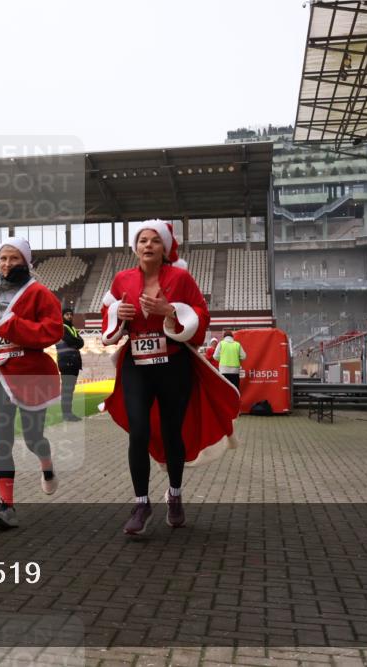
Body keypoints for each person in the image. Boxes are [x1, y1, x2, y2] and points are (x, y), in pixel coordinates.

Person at [100, 220, 240, 535]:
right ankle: (141, 503)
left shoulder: (181, 278)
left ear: (165, 248)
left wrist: (170, 312)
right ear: (135, 248)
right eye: (142, 240)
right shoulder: (122, 279)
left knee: (171, 432)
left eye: (154, 241)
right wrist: (118, 317)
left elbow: (201, 316)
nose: (148, 245)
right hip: (136, 364)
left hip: (173, 366)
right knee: (138, 432)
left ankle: (174, 495)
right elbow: (106, 316)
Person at [0, 237, 63, 529]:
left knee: (33, 438)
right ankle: (6, 507)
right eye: (3, 258)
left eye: (14, 258)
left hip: (30, 372)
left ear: (26, 261)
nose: (7, 264)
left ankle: (47, 464)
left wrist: (16, 326)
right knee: (1, 441)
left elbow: (53, 330)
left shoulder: (40, 293)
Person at [55, 307, 84, 421]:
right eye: (67, 314)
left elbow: (81, 342)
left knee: (70, 389)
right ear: (62, 316)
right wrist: (76, 342)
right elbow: (72, 341)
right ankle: (66, 414)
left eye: (71, 314)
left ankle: (68, 413)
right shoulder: (61, 328)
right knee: (67, 389)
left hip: (73, 362)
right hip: (66, 361)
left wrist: (76, 342)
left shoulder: (72, 328)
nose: (69, 316)